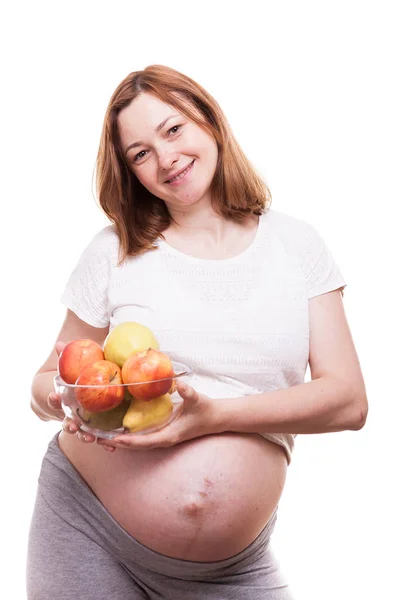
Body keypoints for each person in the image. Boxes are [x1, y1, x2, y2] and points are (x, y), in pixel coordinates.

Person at [27, 64, 368, 599]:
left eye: (173, 130)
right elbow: (47, 380)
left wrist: (212, 418)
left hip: (229, 570)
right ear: (131, 171)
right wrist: (65, 397)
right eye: (140, 153)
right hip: (86, 525)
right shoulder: (112, 251)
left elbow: (348, 402)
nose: (165, 159)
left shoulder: (297, 247)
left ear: (207, 120)